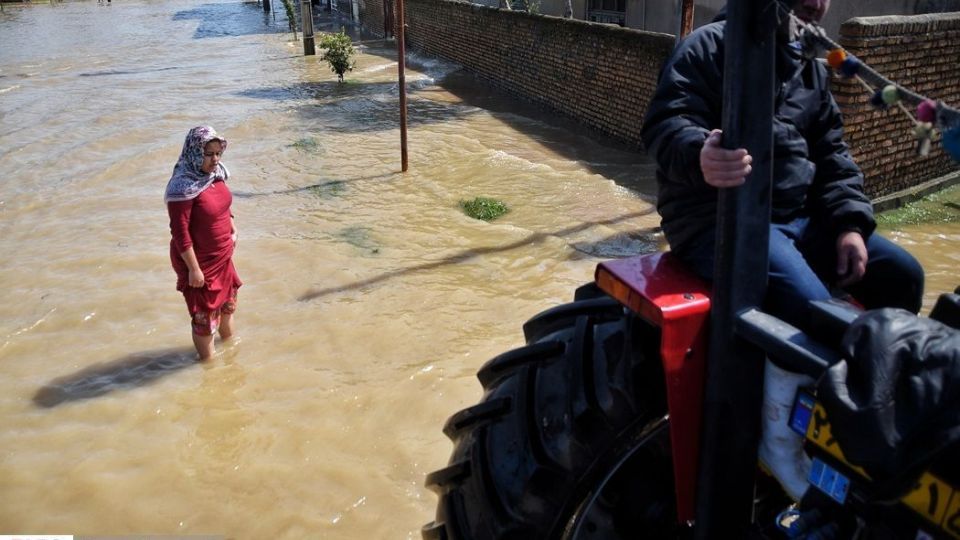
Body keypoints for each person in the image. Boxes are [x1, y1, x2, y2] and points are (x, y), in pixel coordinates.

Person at [640, 0, 924, 500]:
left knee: (902, 276)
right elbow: (667, 124)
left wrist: (849, 224)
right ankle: (778, 435)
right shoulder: (707, 47)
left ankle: (874, 422)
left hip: (798, 219)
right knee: (815, 310)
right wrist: (700, 155)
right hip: (716, 219)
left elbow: (833, 154)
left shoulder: (810, 65)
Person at [165, 126, 242, 361]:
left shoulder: (215, 175)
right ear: (194, 153)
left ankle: (232, 355)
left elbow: (222, 204)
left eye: (218, 153)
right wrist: (194, 270)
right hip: (200, 265)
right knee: (205, 320)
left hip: (223, 257)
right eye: (208, 154)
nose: (215, 159)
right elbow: (180, 233)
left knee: (227, 309)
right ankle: (209, 367)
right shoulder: (182, 186)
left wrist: (231, 225)